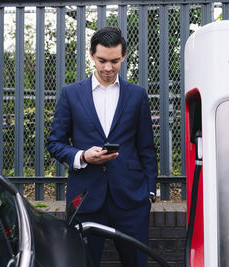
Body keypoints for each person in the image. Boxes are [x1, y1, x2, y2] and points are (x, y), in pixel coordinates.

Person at [47, 26, 158, 267]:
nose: (108, 68)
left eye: (115, 61)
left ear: (124, 56)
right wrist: (82, 155)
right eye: (102, 60)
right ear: (91, 55)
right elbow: (54, 143)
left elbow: (147, 148)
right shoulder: (70, 94)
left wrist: (149, 192)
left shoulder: (137, 95)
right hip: (86, 199)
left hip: (132, 200)